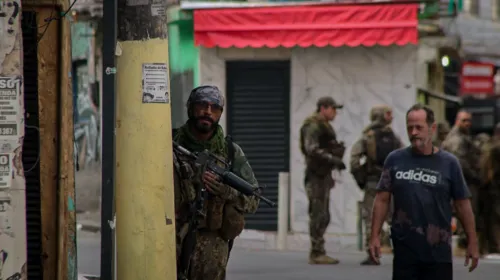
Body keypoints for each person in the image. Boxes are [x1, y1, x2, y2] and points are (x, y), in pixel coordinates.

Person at [369, 104, 479, 280]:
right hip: (405, 250)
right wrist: (374, 236)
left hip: (438, 252)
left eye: (419, 127)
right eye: (410, 127)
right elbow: (382, 199)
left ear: (432, 128)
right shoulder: (395, 159)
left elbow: (462, 204)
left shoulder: (449, 163)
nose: (414, 132)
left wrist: (472, 242)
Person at [173, 85, 260, 280]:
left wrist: (226, 191)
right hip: (170, 235)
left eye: (215, 108)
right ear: (190, 108)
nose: (207, 112)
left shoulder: (230, 152)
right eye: (202, 105)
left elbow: (253, 199)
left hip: (210, 246)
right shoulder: (170, 142)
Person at [350, 105, 403, 265]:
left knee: (372, 218)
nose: (392, 117)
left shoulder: (368, 136)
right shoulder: (394, 137)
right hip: (392, 182)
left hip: (373, 182)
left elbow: (354, 160)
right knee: (397, 218)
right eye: (389, 114)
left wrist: (362, 179)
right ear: (382, 116)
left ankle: (373, 255)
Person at [299, 96, 346, 265]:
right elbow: (311, 149)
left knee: (324, 215)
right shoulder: (313, 125)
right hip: (315, 175)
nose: (335, 113)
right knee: (318, 214)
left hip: (323, 175)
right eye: (333, 109)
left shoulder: (324, 125)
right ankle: (317, 252)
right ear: (323, 108)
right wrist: (333, 159)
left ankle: (319, 250)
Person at [441, 110, 481, 249]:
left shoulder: (462, 137)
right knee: (466, 211)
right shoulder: (457, 139)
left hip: (460, 180)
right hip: (464, 181)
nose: (468, 123)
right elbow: (461, 162)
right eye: (464, 120)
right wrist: (475, 176)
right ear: (457, 121)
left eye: (469, 120)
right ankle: (465, 242)